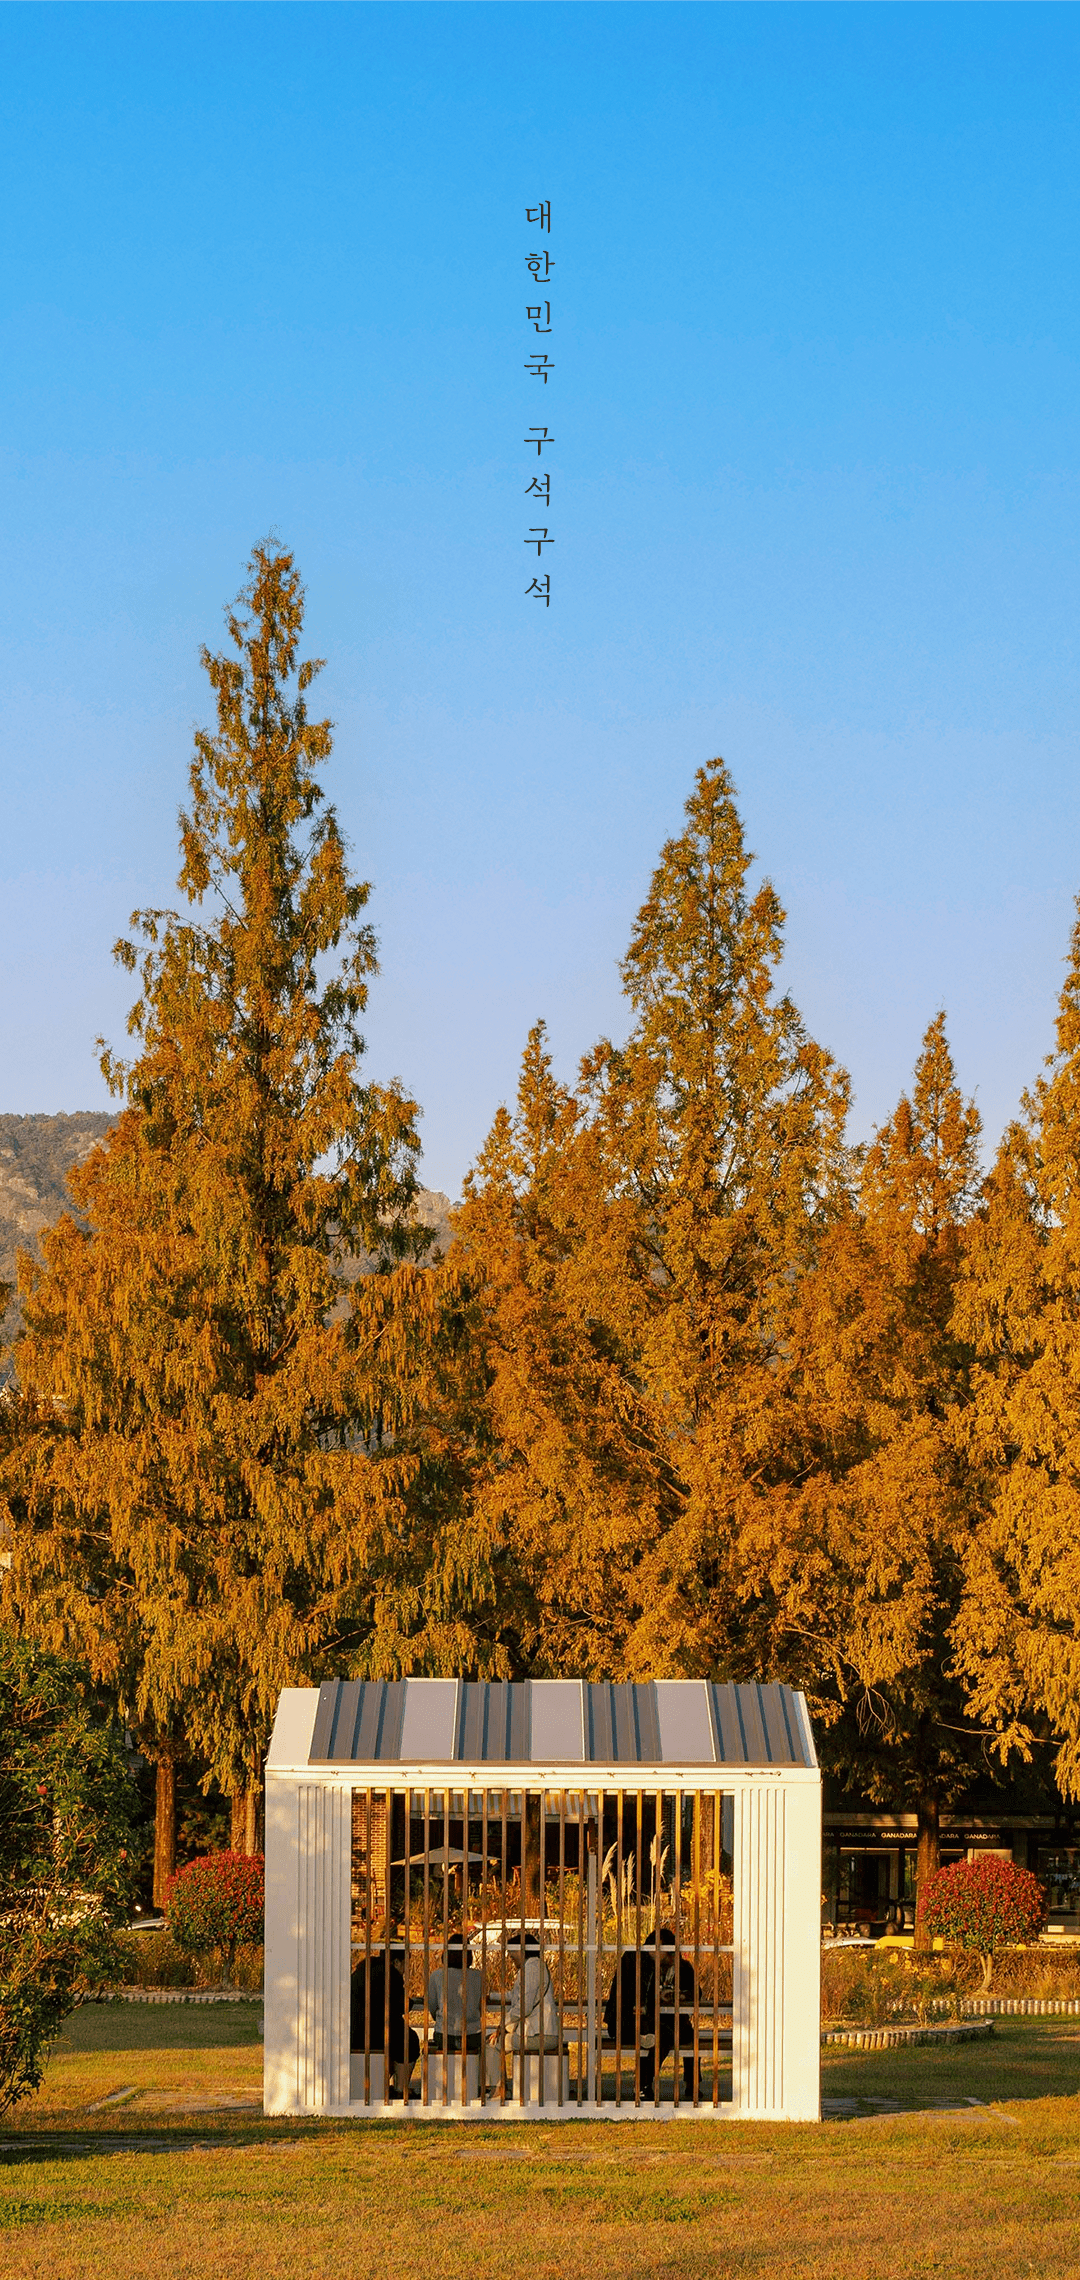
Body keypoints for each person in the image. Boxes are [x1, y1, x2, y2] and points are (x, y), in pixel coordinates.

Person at [603, 1926, 699, 2098]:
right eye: (668, 1952)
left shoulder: (680, 1966)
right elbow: (635, 1997)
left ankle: (692, 2083)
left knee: (686, 2034)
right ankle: (643, 2084)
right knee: (661, 2035)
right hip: (630, 2021)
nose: (671, 1957)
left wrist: (679, 1995)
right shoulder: (635, 1961)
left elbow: (695, 1991)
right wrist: (656, 1998)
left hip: (664, 2020)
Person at [350, 1949, 419, 2096]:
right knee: (410, 2041)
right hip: (376, 2032)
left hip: (355, 2033)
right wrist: (411, 2002)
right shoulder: (391, 1974)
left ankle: (380, 2087)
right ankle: (400, 2089)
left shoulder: (364, 1969)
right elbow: (400, 2006)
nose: (406, 1969)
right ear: (396, 1962)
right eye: (405, 1964)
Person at [501, 1932, 560, 2054]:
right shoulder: (534, 1966)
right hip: (541, 2033)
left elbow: (525, 2006)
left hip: (540, 2035)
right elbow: (516, 1994)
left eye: (512, 1951)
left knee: (492, 2044)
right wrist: (490, 1996)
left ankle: (491, 2074)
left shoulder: (532, 1968)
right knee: (497, 2042)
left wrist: (503, 2023)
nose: (509, 1955)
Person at [426, 1941, 485, 2052]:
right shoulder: (478, 1976)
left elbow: (432, 2006)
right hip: (472, 2036)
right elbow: (481, 2006)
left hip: (444, 2035)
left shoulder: (437, 1975)